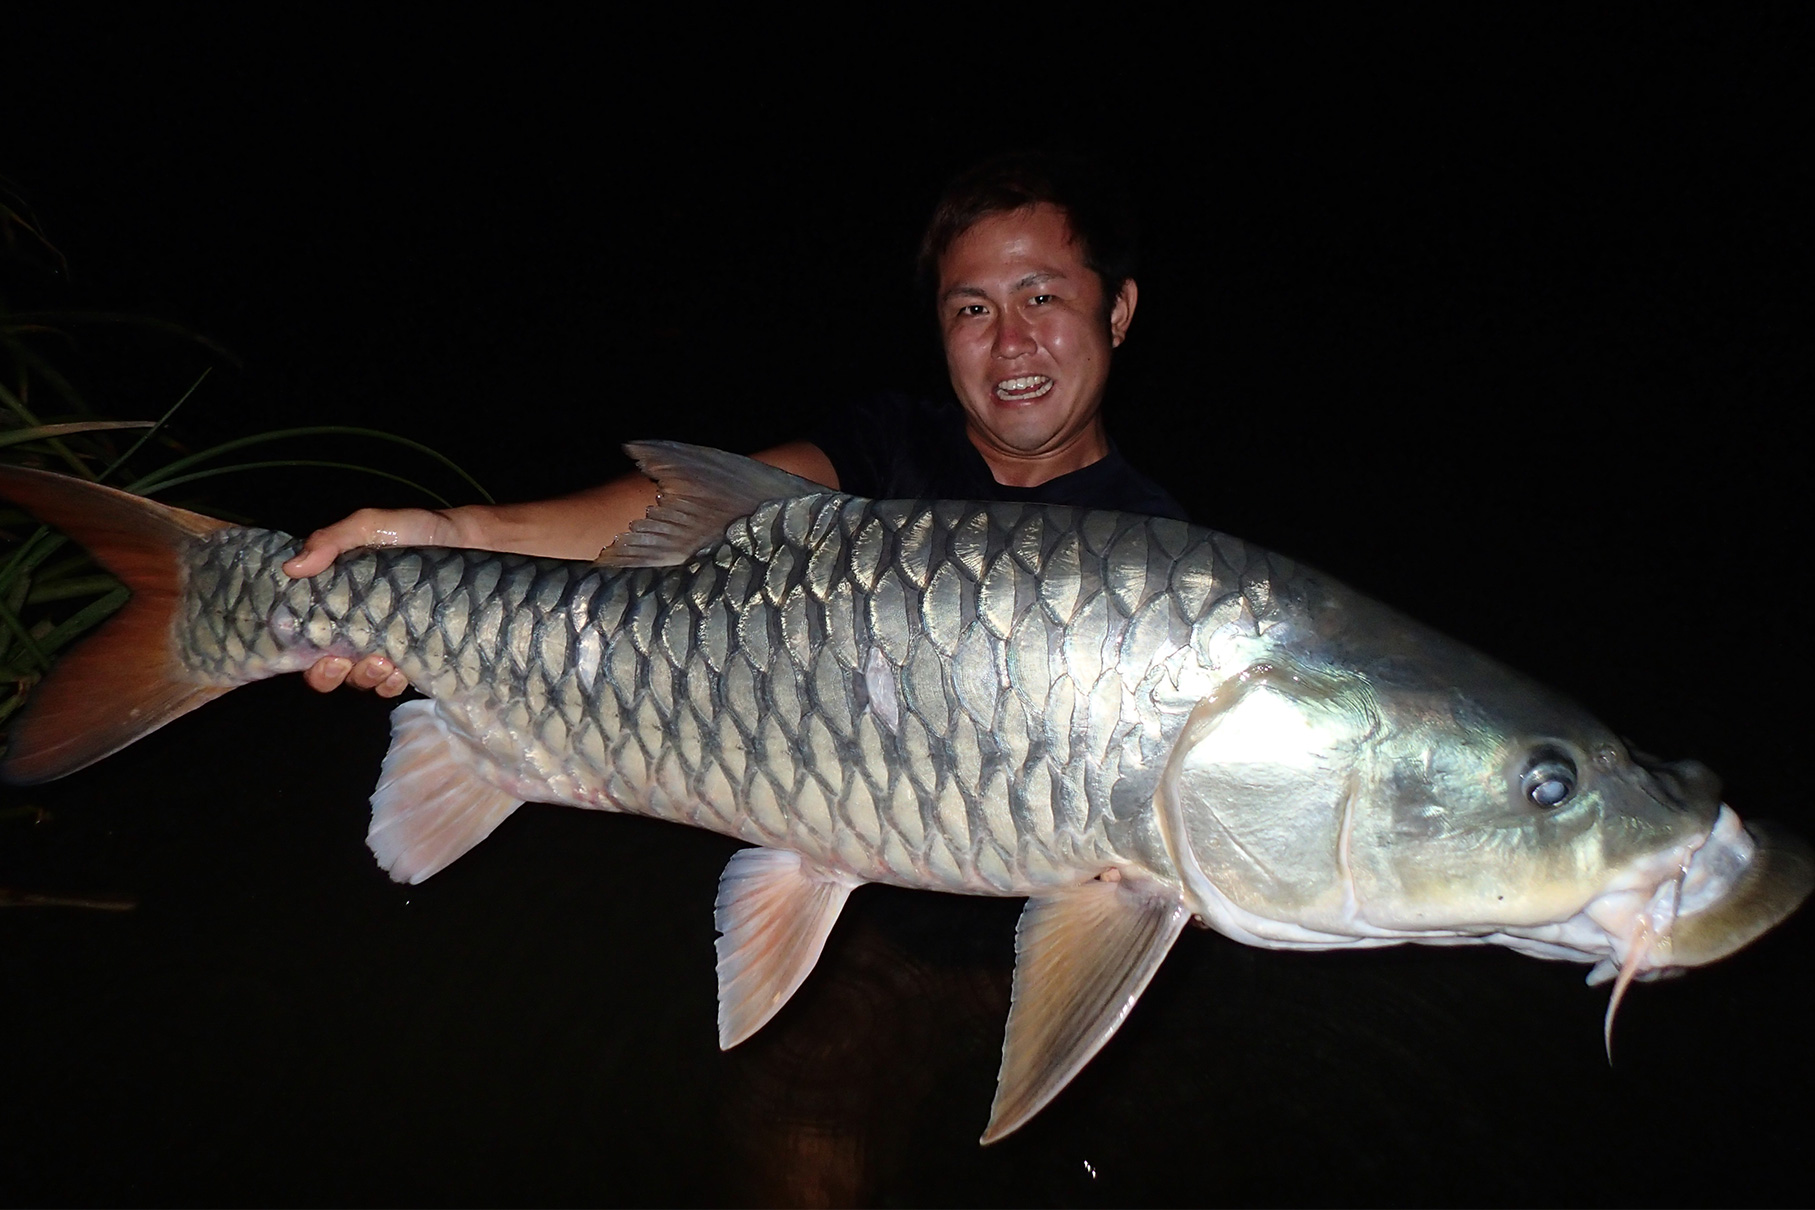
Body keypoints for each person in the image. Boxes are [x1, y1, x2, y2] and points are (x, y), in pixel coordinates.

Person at [285, 152, 1187, 696]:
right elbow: (675, 519)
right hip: (843, 909)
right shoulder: (887, 448)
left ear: (1117, 311)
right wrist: (454, 538)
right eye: (972, 310)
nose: (1011, 342)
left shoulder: (1157, 559)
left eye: (1042, 296)